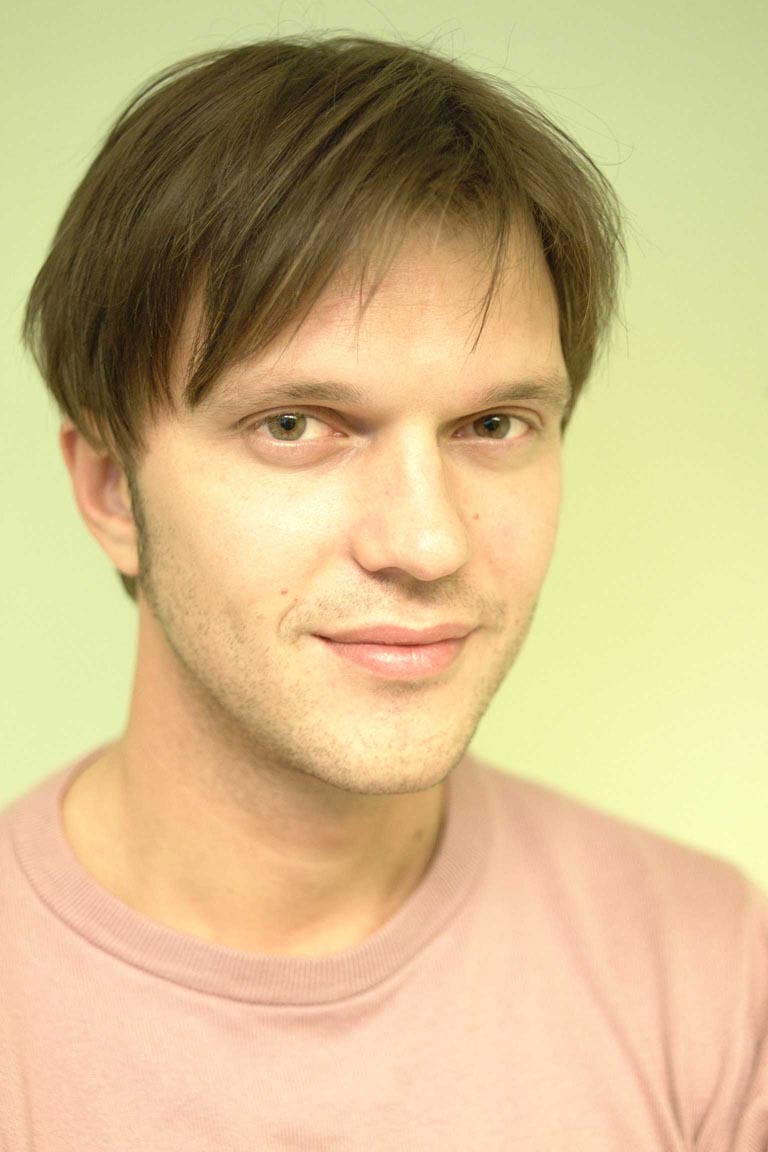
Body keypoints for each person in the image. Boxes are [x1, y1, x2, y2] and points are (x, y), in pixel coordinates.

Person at [2, 32, 765, 1150]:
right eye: (296, 425)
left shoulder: (714, 973)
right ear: (112, 489)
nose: (426, 540)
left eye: (493, 424)